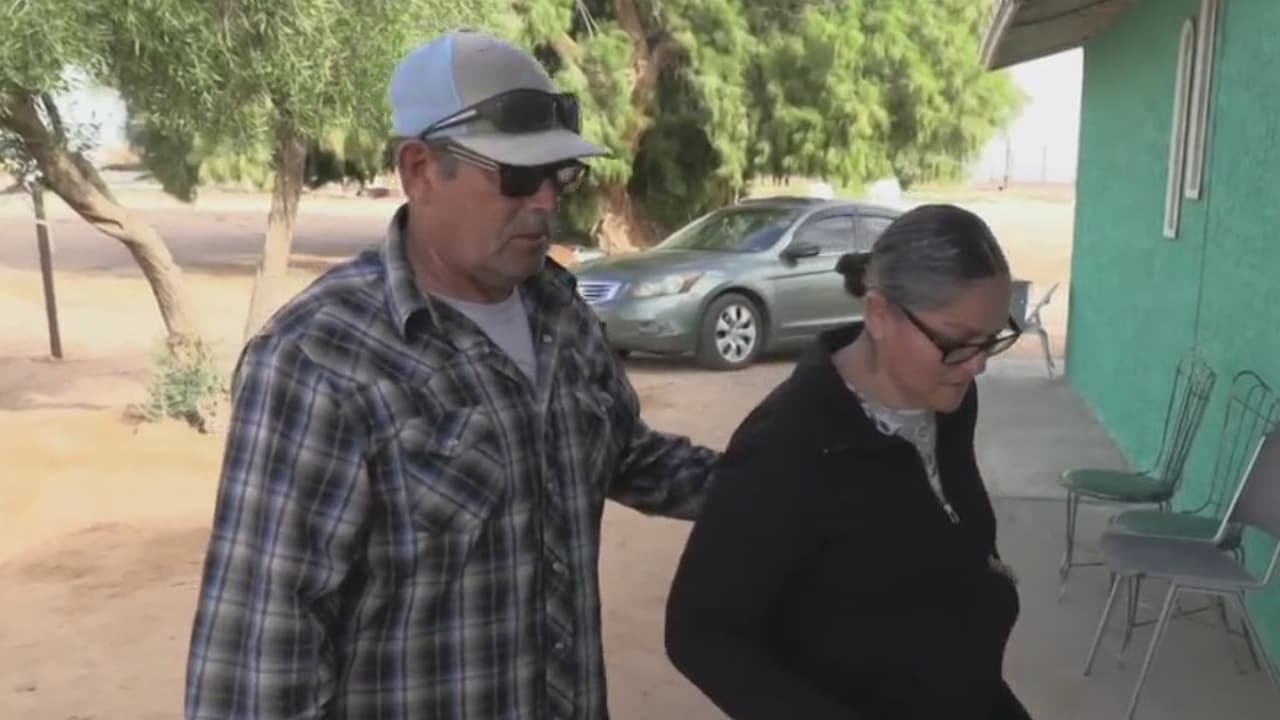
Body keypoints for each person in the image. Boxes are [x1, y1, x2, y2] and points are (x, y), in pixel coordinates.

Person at [183, 31, 719, 720]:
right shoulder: (320, 360)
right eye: (517, 177)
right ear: (419, 169)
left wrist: (792, 480)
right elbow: (258, 664)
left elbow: (627, 456)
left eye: (559, 175)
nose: (545, 202)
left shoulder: (560, 312)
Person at [664, 203, 1034, 720]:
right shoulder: (789, 447)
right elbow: (699, 632)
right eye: (956, 342)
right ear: (878, 314)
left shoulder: (947, 400)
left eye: (991, 339)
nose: (976, 366)